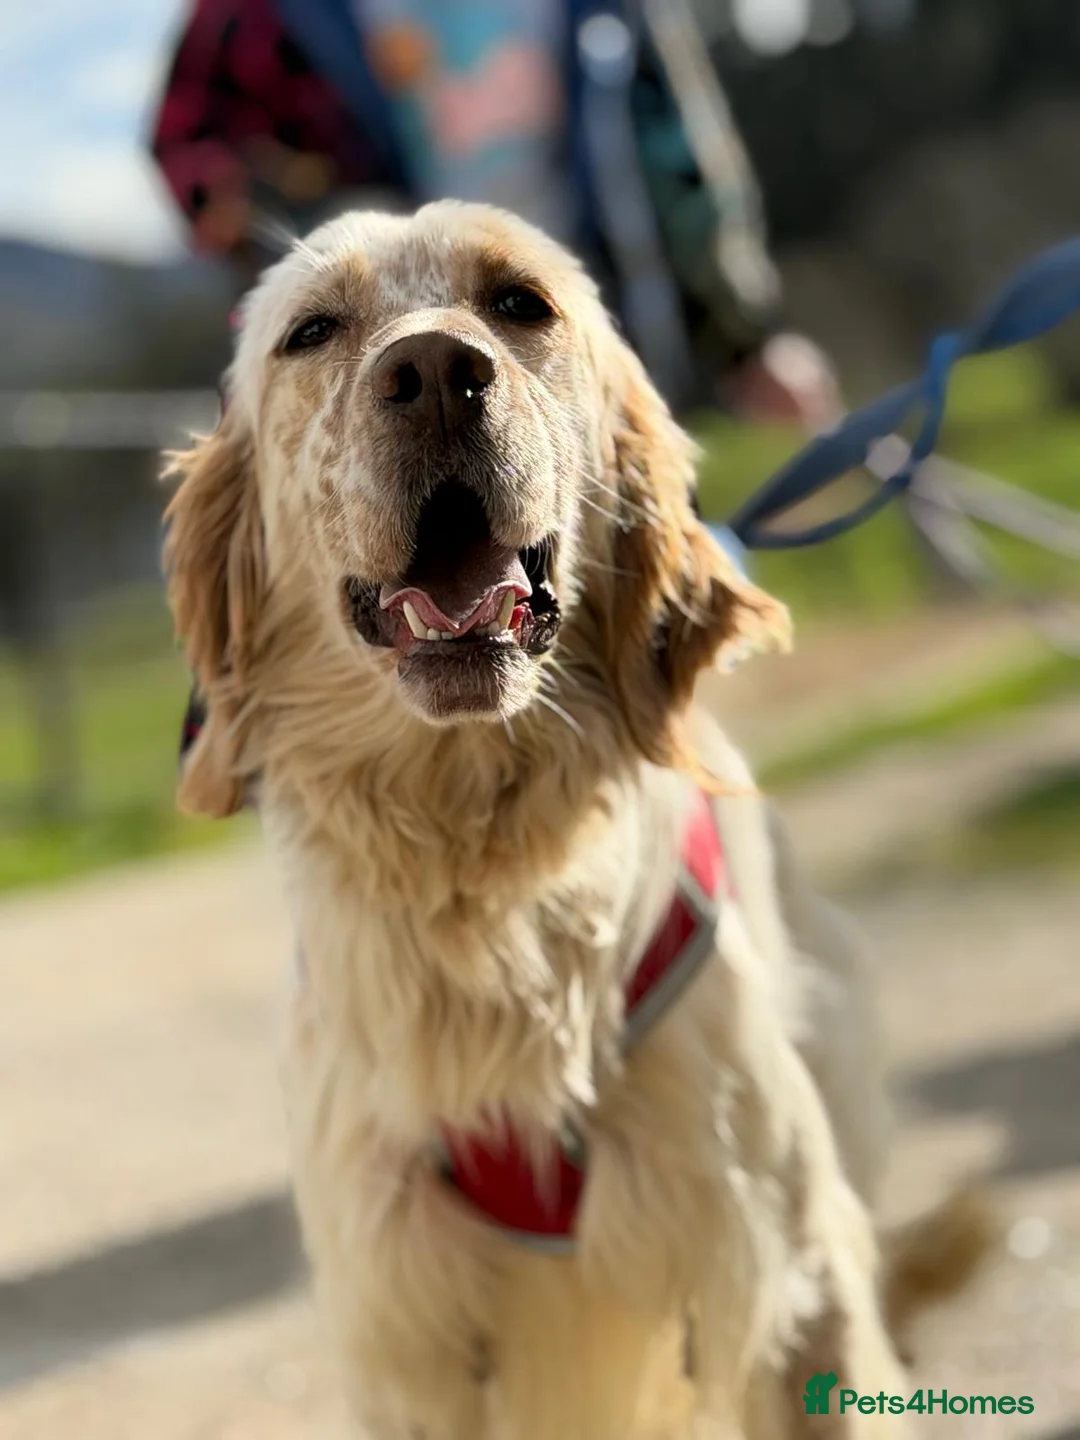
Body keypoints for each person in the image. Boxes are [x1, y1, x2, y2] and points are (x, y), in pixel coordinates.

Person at [150, 0, 841, 430]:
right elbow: (191, 149)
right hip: (386, 393)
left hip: (592, 354)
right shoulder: (255, 15)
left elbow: (677, 155)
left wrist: (743, 337)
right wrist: (295, 227)